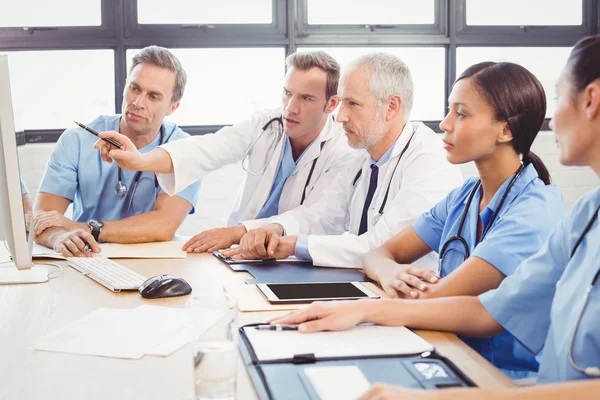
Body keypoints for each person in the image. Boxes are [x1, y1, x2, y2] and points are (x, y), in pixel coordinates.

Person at [271, 35, 600, 399]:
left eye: (460, 113)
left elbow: (457, 305)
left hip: (503, 378)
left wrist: (369, 308)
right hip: (452, 353)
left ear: (591, 100)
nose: (444, 124)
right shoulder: (572, 211)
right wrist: (373, 296)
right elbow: (482, 309)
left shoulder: (535, 210)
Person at [94, 51, 353, 254]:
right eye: (287, 93)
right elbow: (211, 148)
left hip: (295, 257)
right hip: (240, 251)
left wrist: (235, 232)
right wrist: (142, 160)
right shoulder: (266, 124)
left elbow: (314, 217)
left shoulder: (342, 149)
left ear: (332, 103)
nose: (290, 108)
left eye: (306, 98)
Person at [225, 53, 462, 270]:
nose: (339, 117)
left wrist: (292, 245)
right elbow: (320, 215)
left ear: (391, 107)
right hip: (360, 282)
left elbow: (384, 247)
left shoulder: (430, 162)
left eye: (353, 104)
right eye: (342, 104)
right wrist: (273, 230)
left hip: (407, 299)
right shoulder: (359, 156)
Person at [33, 46, 202, 257]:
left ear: (172, 107)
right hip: (85, 256)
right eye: (135, 88)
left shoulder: (184, 151)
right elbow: (41, 218)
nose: (137, 103)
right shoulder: (76, 140)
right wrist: (59, 237)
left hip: (152, 259)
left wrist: (83, 228)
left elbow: (163, 225)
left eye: (153, 96)